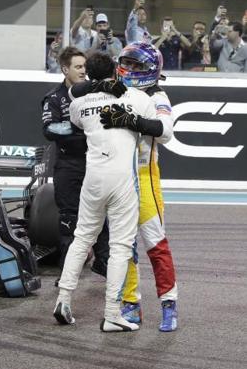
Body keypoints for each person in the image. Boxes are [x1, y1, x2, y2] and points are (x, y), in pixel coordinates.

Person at [70, 42, 179, 332]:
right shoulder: (115, 86)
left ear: (152, 70)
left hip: (144, 176)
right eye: (127, 63)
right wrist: (97, 87)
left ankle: (169, 304)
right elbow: (75, 92)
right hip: (118, 176)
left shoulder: (157, 94)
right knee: (124, 247)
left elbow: (166, 131)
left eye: (138, 66)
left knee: (155, 243)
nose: (130, 70)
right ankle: (130, 303)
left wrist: (134, 121)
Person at [53, 52, 157, 332]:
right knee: (121, 245)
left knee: (81, 238)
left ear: (89, 72)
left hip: (93, 177)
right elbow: (161, 131)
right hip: (122, 179)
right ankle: (112, 313)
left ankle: (63, 299)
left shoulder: (80, 102)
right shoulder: (137, 98)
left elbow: (76, 110)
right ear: (116, 70)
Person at [41, 47, 110, 286]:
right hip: (69, 166)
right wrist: (81, 128)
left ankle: (104, 263)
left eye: (85, 67)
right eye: (78, 67)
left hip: (96, 163)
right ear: (65, 69)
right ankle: (68, 272)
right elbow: (50, 130)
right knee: (69, 220)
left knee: (102, 216)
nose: (83, 71)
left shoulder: (94, 94)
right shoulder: (54, 98)